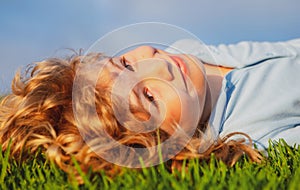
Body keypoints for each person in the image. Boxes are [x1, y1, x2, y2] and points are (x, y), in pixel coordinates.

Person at [0, 38, 299, 180]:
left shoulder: (187, 52)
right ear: (168, 145)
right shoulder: (254, 130)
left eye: (126, 64)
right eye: (149, 97)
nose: (157, 64)